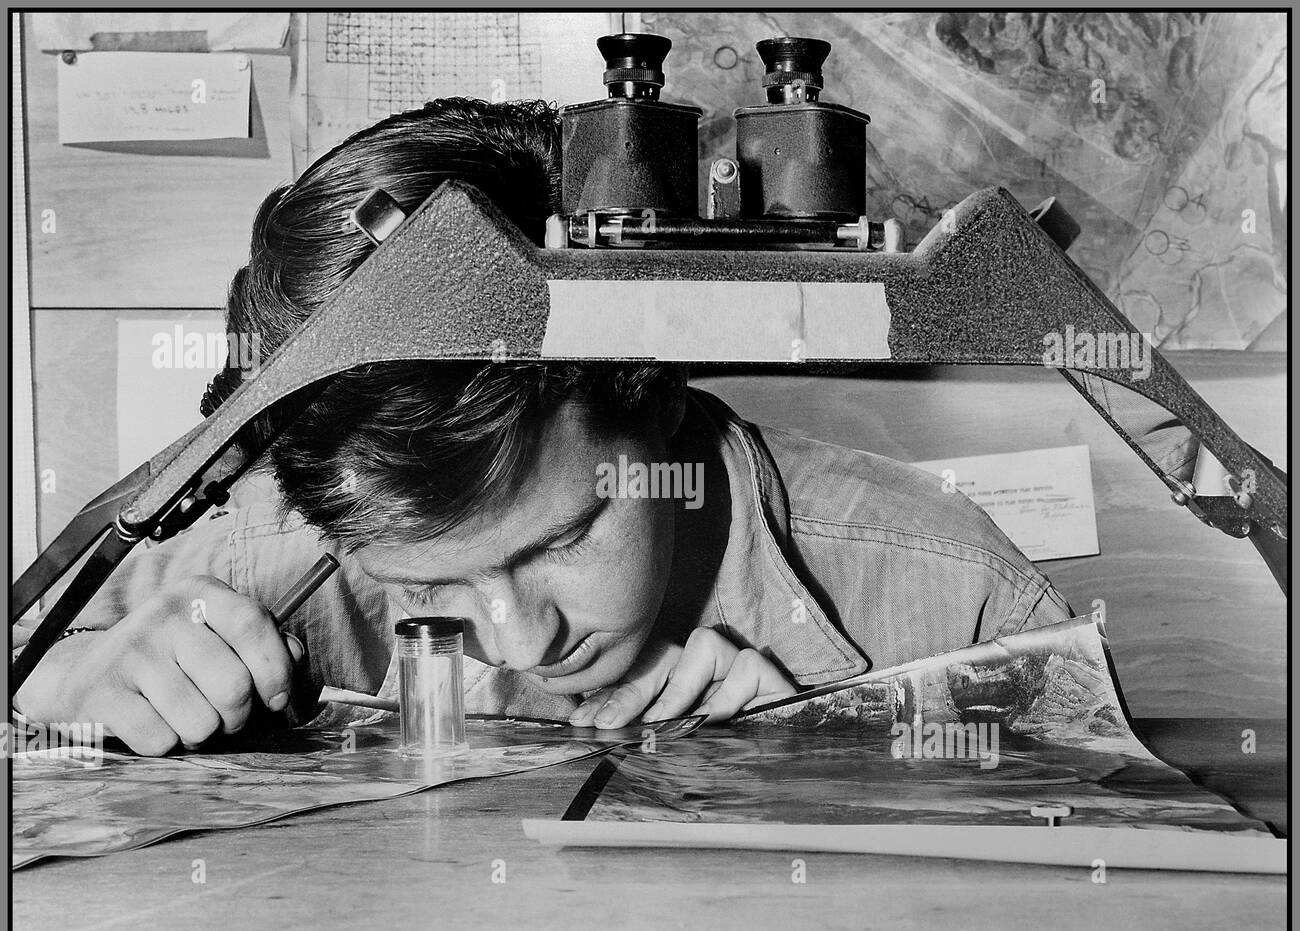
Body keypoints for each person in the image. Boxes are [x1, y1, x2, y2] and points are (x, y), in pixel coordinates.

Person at [13, 98, 1072, 756]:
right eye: (423, 582)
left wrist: (829, 777)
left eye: (561, 538)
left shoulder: (963, 599)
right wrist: (59, 692)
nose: (523, 639)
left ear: (653, 398)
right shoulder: (271, 548)